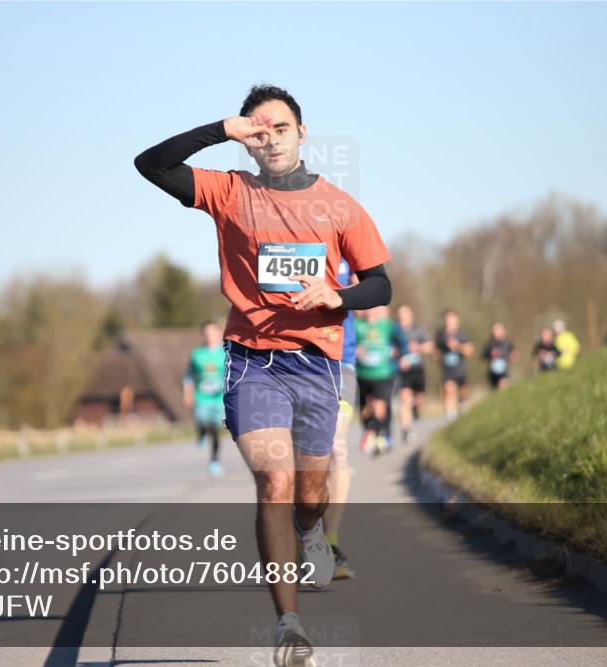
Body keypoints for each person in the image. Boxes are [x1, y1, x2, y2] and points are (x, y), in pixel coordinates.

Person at [135, 84, 391, 667]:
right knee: (274, 481)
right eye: (258, 130)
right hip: (252, 358)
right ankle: (289, 624)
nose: (270, 137)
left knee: (310, 492)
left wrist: (340, 294)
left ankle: (311, 532)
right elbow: (150, 164)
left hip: (317, 361)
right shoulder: (228, 190)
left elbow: (380, 283)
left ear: (303, 134)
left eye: (281, 128)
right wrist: (221, 128)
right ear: (248, 141)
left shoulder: (340, 206)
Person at [322, 259, 357, 581]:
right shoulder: (289, 237)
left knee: (337, 449)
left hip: (342, 362)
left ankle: (330, 543)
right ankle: (302, 536)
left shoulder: (349, 243)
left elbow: (377, 286)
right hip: (296, 360)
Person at [183, 321, 227, 476]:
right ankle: (201, 433)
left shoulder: (225, 352)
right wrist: (187, 393)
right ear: (203, 335)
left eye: (212, 332)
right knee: (202, 421)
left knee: (215, 427)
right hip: (201, 397)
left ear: (218, 333)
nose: (209, 336)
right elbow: (188, 376)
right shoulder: (197, 354)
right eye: (206, 333)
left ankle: (214, 461)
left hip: (219, 398)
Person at [354, 305, 397, 455]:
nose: (371, 310)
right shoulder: (357, 325)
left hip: (382, 373)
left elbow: (401, 338)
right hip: (363, 374)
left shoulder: (385, 325)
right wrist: (355, 350)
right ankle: (371, 430)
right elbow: (346, 344)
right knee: (365, 410)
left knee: (380, 405)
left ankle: (379, 433)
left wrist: (400, 351)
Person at [393, 305, 432, 443]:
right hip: (402, 370)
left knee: (419, 400)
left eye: (405, 314)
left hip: (417, 369)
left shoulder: (418, 329)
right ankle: (406, 430)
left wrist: (418, 347)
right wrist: (395, 353)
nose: (402, 317)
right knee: (405, 398)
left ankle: (415, 409)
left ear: (411, 315)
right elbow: (389, 347)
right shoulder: (394, 330)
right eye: (400, 314)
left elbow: (429, 346)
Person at [434, 309, 473, 422]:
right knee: (448, 389)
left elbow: (469, 350)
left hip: (460, 369)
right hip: (447, 369)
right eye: (447, 319)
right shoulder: (440, 335)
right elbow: (436, 351)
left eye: (451, 319)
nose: (449, 321)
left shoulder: (462, 334)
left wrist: (457, 346)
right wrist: (438, 355)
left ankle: (462, 402)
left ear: (457, 320)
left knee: (463, 392)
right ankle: (451, 416)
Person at [481, 322, 516, 390]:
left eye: (498, 329)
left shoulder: (507, 342)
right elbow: (482, 354)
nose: (496, 332)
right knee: (494, 391)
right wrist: (490, 355)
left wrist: (512, 355)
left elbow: (514, 354)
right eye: (494, 330)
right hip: (492, 373)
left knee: (503, 387)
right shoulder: (489, 343)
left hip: (504, 372)